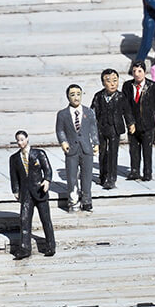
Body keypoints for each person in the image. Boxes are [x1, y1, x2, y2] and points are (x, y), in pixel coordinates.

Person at [9, 130, 56, 259]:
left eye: (22, 139)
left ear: (27, 139)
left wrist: (47, 180)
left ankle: (50, 245)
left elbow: (47, 169)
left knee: (46, 220)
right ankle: (24, 248)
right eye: (18, 140)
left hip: (39, 192)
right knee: (24, 220)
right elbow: (14, 176)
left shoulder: (39, 154)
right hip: (25, 193)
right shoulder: (14, 158)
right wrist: (16, 190)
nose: (20, 142)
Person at [55, 84, 99, 212]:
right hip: (72, 149)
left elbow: (93, 129)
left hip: (86, 149)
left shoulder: (89, 112)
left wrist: (95, 143)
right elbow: (60, 130)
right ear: (68, 97)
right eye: (72, 95)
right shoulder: (62, 114)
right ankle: (73, 201)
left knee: (87, 175)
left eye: (78, 94)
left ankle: (86, 200)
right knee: (72, 176)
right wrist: (63, 142)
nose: (76, 98)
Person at [90, 69, 135, 189]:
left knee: (113, 154)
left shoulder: (121, 97)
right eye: (108, 81)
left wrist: (131, 123)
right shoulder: (98, 96)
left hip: (115, 128)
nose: (112, 84)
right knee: (103, 152)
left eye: (115, 81)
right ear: (103, 83)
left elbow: (127, 111)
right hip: (102, 128)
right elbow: (92, 112)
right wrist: (91, 126)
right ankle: (103, 176)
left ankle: (111, 178)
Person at [122, 61, 155, 181]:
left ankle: (147, 172)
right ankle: (134, 170)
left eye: (139, 71)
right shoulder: (127, 86)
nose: (137, 74)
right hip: (133, 123)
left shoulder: (152, 86)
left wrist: (149, 114)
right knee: (133, 149)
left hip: (147, 124)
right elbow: (125, 105)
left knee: (147, 149)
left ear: (144, 72)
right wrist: (130, 121)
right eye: (134, 71)